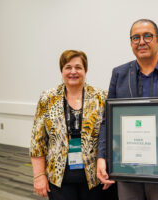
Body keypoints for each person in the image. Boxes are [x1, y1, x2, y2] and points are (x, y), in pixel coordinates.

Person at [97, 19, 158, 200]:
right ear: (131, 43)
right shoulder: (119, 74)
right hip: (126, 168)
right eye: (135, 38)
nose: (141, 42)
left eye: (147, 36)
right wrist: (101, 157)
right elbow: (107, 120)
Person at [30, 50, 108, 200]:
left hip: (94, 177)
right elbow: (37, 141)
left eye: (78, 67)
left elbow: (110, 137)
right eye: (68, 67)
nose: (73, 72)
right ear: (62, 70)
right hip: (59, 177)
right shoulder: (48, 98)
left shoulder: (101, 97)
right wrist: (39, 176)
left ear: (86, 70)